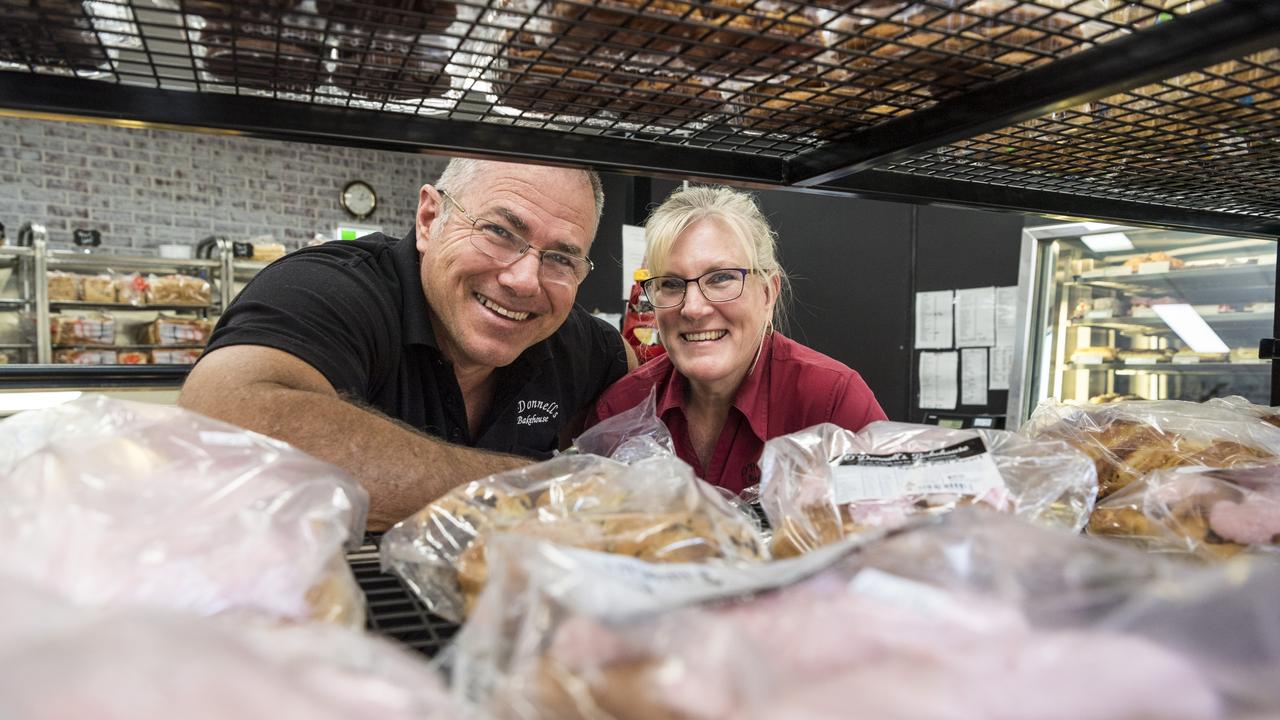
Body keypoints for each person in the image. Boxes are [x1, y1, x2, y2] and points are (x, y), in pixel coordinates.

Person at [180, 159, 633, 530]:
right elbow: (222, 423)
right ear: (429, 219)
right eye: (498, 232)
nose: (523, 280)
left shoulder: (579, 344)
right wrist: (540, 490)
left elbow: (647, 413)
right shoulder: (331, 288)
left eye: (560, 258)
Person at [587, 185, 886, 494]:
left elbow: (900, 527)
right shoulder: (622, 410)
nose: (693, 308)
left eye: (721, 278)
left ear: (768, 293)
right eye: (671, 284)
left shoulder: (831, 402)